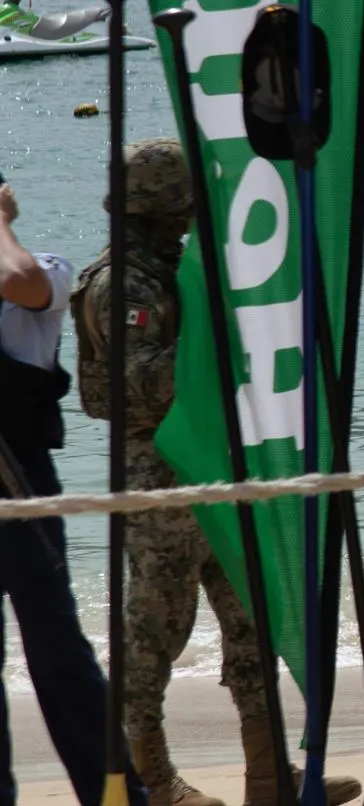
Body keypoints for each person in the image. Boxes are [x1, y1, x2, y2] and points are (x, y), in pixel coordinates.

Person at [70, 138, 362, 806]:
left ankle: (269, 773)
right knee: (154, 634)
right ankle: (147, 778)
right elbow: (138, 384)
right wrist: (212, 346)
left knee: (252, 619)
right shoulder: (125, 282)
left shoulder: (179, 269)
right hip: (159, 470)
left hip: (217, 463)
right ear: (164, 201)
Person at [0, 178, 148, 805]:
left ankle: (115, 796)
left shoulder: (44, 272)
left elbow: (18, 277)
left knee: (57, 650)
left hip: (20, 481)